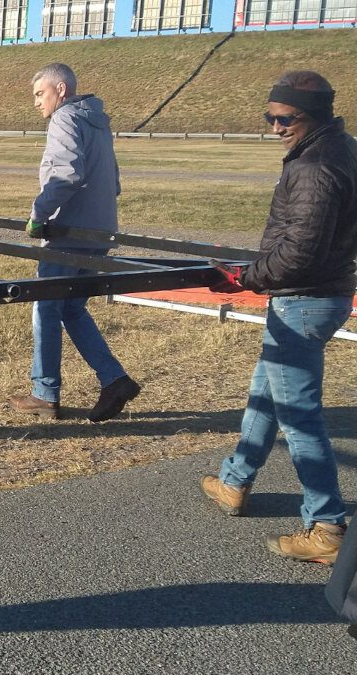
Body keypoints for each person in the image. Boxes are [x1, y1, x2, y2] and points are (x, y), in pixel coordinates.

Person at [200, 70, 357, 565]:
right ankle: (234, 482)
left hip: (303, 298)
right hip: (319, 294)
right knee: (266, 394)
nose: (274, 127)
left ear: (311, 116)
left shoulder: (315, 167)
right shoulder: (339, 148)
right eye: (269, 116)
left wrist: (247, 277)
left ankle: (327, 524)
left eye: (283, 118)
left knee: (299, 417)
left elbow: (300, 253)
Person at [9, 63, 140, 423]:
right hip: (99, 231)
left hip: (69, 232)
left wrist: (39, 214)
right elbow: (113, 179)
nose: (36, 102)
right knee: (71, 309)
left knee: (46, 308)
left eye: (40, 93)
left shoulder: (64, 119)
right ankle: (114, 380)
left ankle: (44, 393)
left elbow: (66, 174)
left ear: (61, 89)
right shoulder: (98, 121)